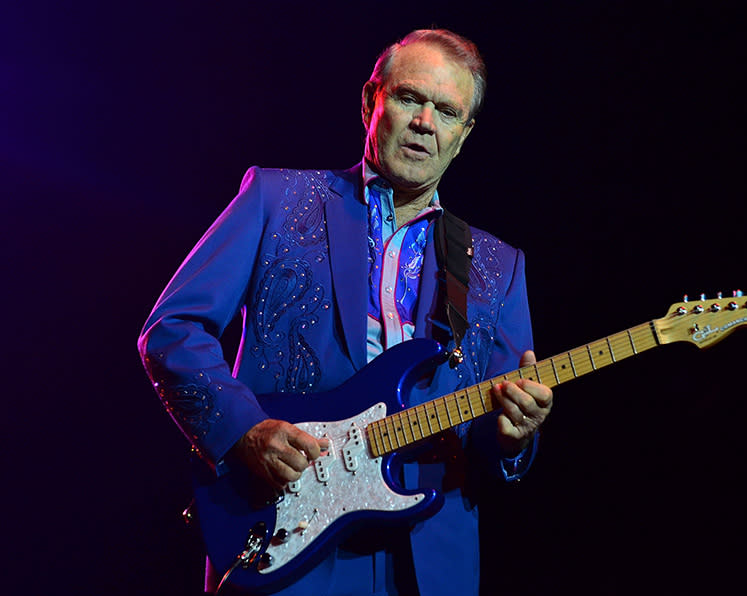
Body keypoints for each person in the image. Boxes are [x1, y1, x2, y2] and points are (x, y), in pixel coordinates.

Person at [138, 28, 553, 596]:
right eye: (410, 98)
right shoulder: (276, 199)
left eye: (448, 111)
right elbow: (173, 329)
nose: (425, 122)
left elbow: (494, 431)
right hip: (286, 531)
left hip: (428, 564)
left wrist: (513, 436)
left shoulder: (498, 266)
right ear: (370, 101)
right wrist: (244, 432)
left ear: (464, 134)